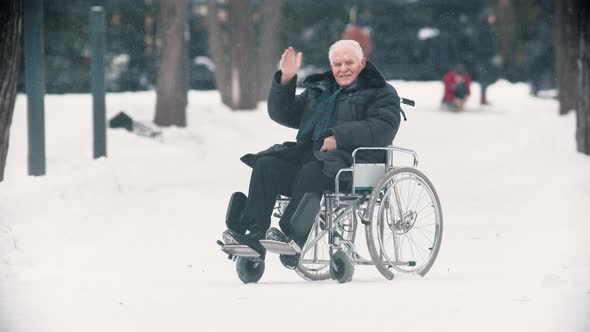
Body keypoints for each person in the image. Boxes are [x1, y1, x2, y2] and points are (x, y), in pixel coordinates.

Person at [222, 40, 402, 267]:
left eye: (349, 62)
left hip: (351, 164)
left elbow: (383, 128)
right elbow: (285, 114)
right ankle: (255, 235)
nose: (343, 68)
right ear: (331, 65)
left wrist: (340, 136)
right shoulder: (321, 90)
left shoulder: (380, 91)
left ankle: (292, 236)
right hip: (312, 155)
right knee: (266, 164)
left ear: (362, 62)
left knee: (313, 169)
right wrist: (286, 80)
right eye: (337, 64)